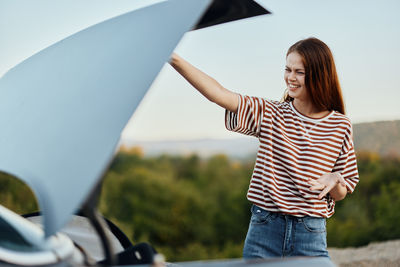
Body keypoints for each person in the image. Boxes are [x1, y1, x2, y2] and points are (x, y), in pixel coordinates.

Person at [169, 37, 359, 259]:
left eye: (300, 72)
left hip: (311, 232)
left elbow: (340, 193)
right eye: (288, 69)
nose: (290, 78)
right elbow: (219, 94)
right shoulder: (271, 113)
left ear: (319, 74)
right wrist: (173, 59)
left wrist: (335, 179)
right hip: (265, 228)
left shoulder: (340, 125)